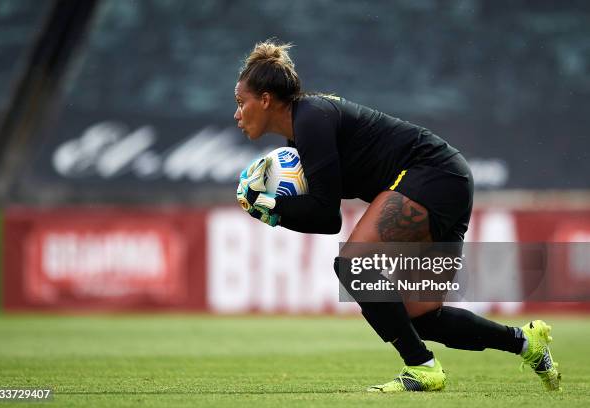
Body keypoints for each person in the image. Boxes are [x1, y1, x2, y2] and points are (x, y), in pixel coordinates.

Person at [234, 40, 561, 392]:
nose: (237, 114)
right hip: (448, 178)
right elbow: (321, 214)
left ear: (265, 99)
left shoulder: (310, 119)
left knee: (353, 264)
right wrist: (270, 211)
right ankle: (527, 344)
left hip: (430, 173)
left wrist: (270, 208)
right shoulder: (301, 135)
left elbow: (328, 216)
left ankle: (422, 366)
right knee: (421, 317)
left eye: (241, 103)